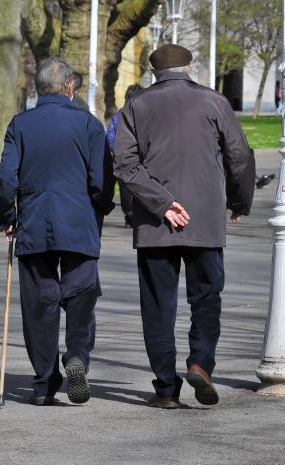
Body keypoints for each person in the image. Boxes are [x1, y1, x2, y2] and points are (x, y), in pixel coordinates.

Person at [114, 44, 255, 409]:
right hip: (204, 219)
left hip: (155, 224)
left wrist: (162, 204)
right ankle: (200, 363)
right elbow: (238, 155)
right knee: (206, 297)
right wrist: (239, 202)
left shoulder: (136, 106)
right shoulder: (214, 102)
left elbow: (125, 165)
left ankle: (165, 388)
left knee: (158, 305)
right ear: (188, 68)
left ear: (154, 73)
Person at [0, 57, 115, 406]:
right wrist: (101, 207)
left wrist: (8, 216)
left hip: (34, 222)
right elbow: (101, 180)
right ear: (69, 86)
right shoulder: (89, 125)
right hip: (79, 222)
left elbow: (5, 179)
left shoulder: (20, 124)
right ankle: (76, 355)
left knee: (39, 305)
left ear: (39, 88)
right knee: (80, 297)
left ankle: (45, 383)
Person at [106, 84, 143, 227]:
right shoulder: (144, 115)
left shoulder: (118, 116)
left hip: (123, 159)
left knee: (126, 190)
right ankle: (131, 215)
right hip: (135, 159)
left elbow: (110, 137)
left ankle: (130, 215)